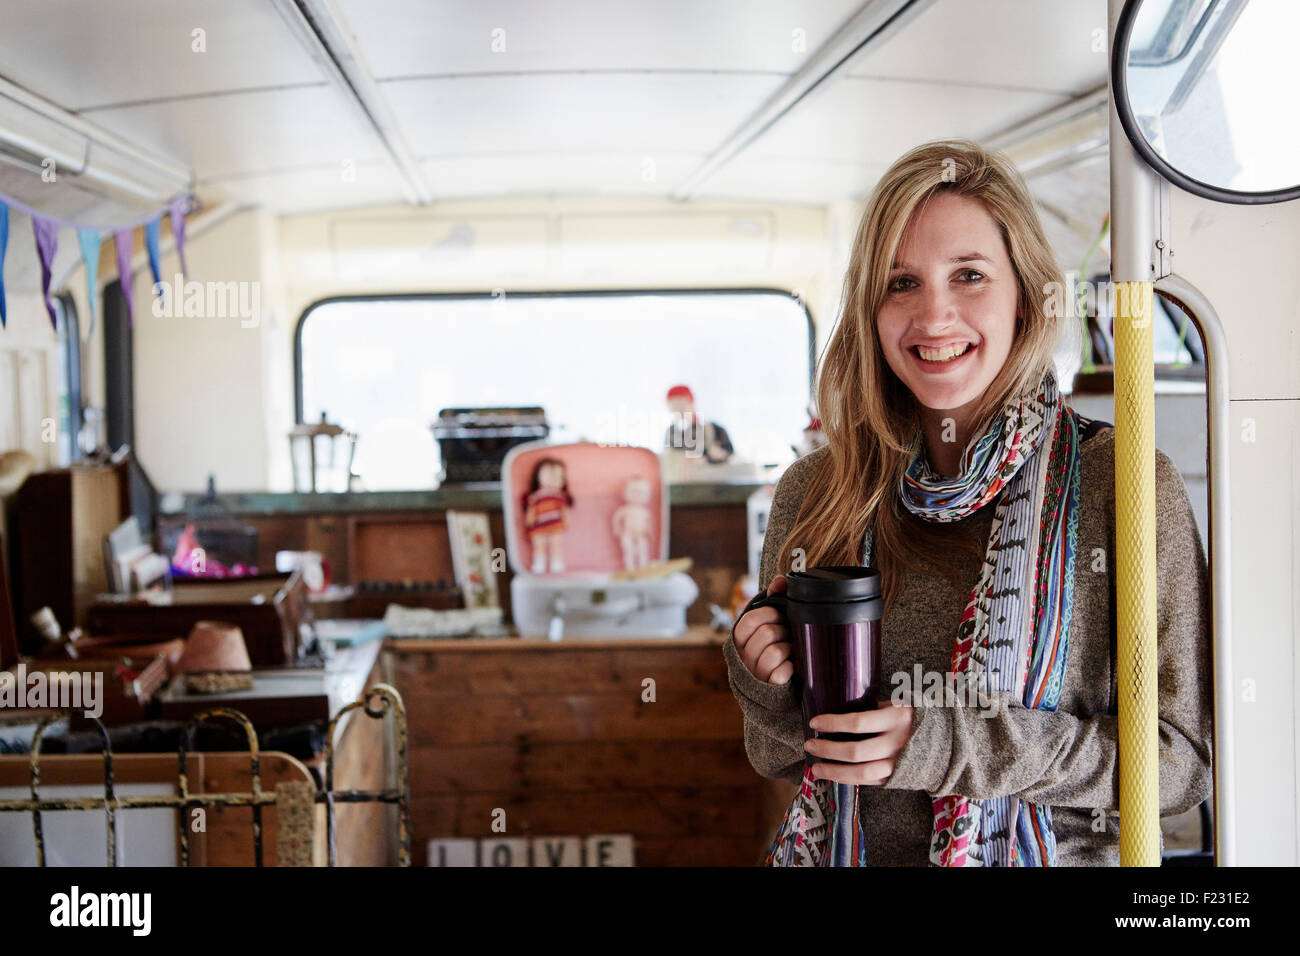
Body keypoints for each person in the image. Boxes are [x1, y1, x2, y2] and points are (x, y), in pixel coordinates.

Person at [724, 139, 1212, 866]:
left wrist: (946, 744)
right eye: (902, 283)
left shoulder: (1124, 485)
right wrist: (761, 678)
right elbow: (780, 756)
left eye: (970, 275)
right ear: (871, 307)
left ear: (1025, 295)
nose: (934, 316)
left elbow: (1178, 765)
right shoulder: (817, 492)